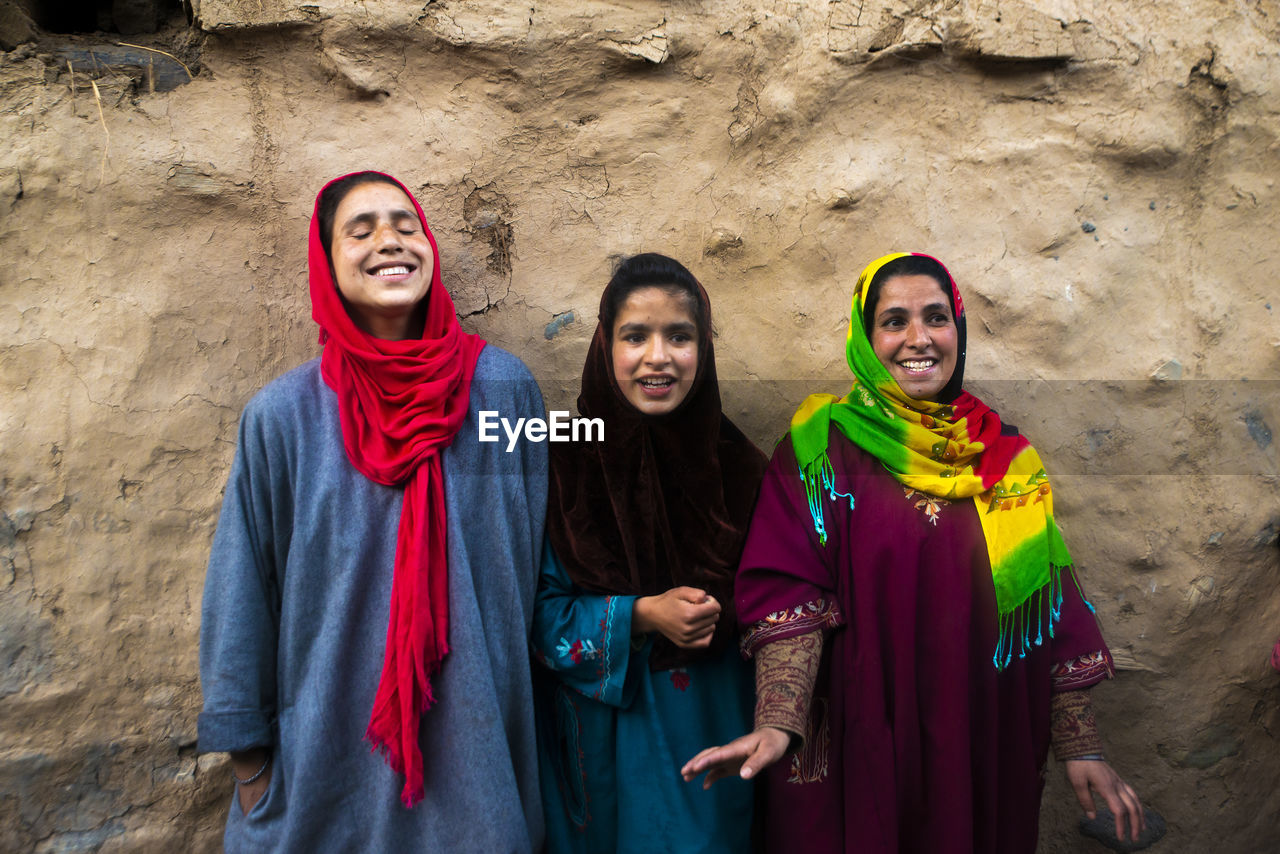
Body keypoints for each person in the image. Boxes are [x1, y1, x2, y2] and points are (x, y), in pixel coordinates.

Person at [682, 252, 1145, 853]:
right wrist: (778, 721)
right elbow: (786, 589)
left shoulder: (1007, 462)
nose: (918, 339)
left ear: (959, 329)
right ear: (865, 337)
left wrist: (1081, 745)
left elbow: (1049, 610)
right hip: (859, 736)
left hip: (978, 736)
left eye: (936, 317)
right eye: (894, 321)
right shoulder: (820, 450)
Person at [197, 172, 547, 852]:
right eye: (360, 232)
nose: (390, 241)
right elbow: (242, 587)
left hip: (480, 766)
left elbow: (541, 558)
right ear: (327, 265)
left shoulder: (506, 394)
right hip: (329, 772)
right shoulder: (284, 417)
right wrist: (250, 761)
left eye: (406, 225)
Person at [532, 253, 768, 853]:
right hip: (600, 753)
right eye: (635, 336)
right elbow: (535, 619)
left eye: (679, 336)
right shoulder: (562, 467)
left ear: (704, 349)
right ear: (605, 346)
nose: (657, 357)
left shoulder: (743, 474)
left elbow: (784, 614)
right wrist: (641, 614)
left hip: (711, 740)